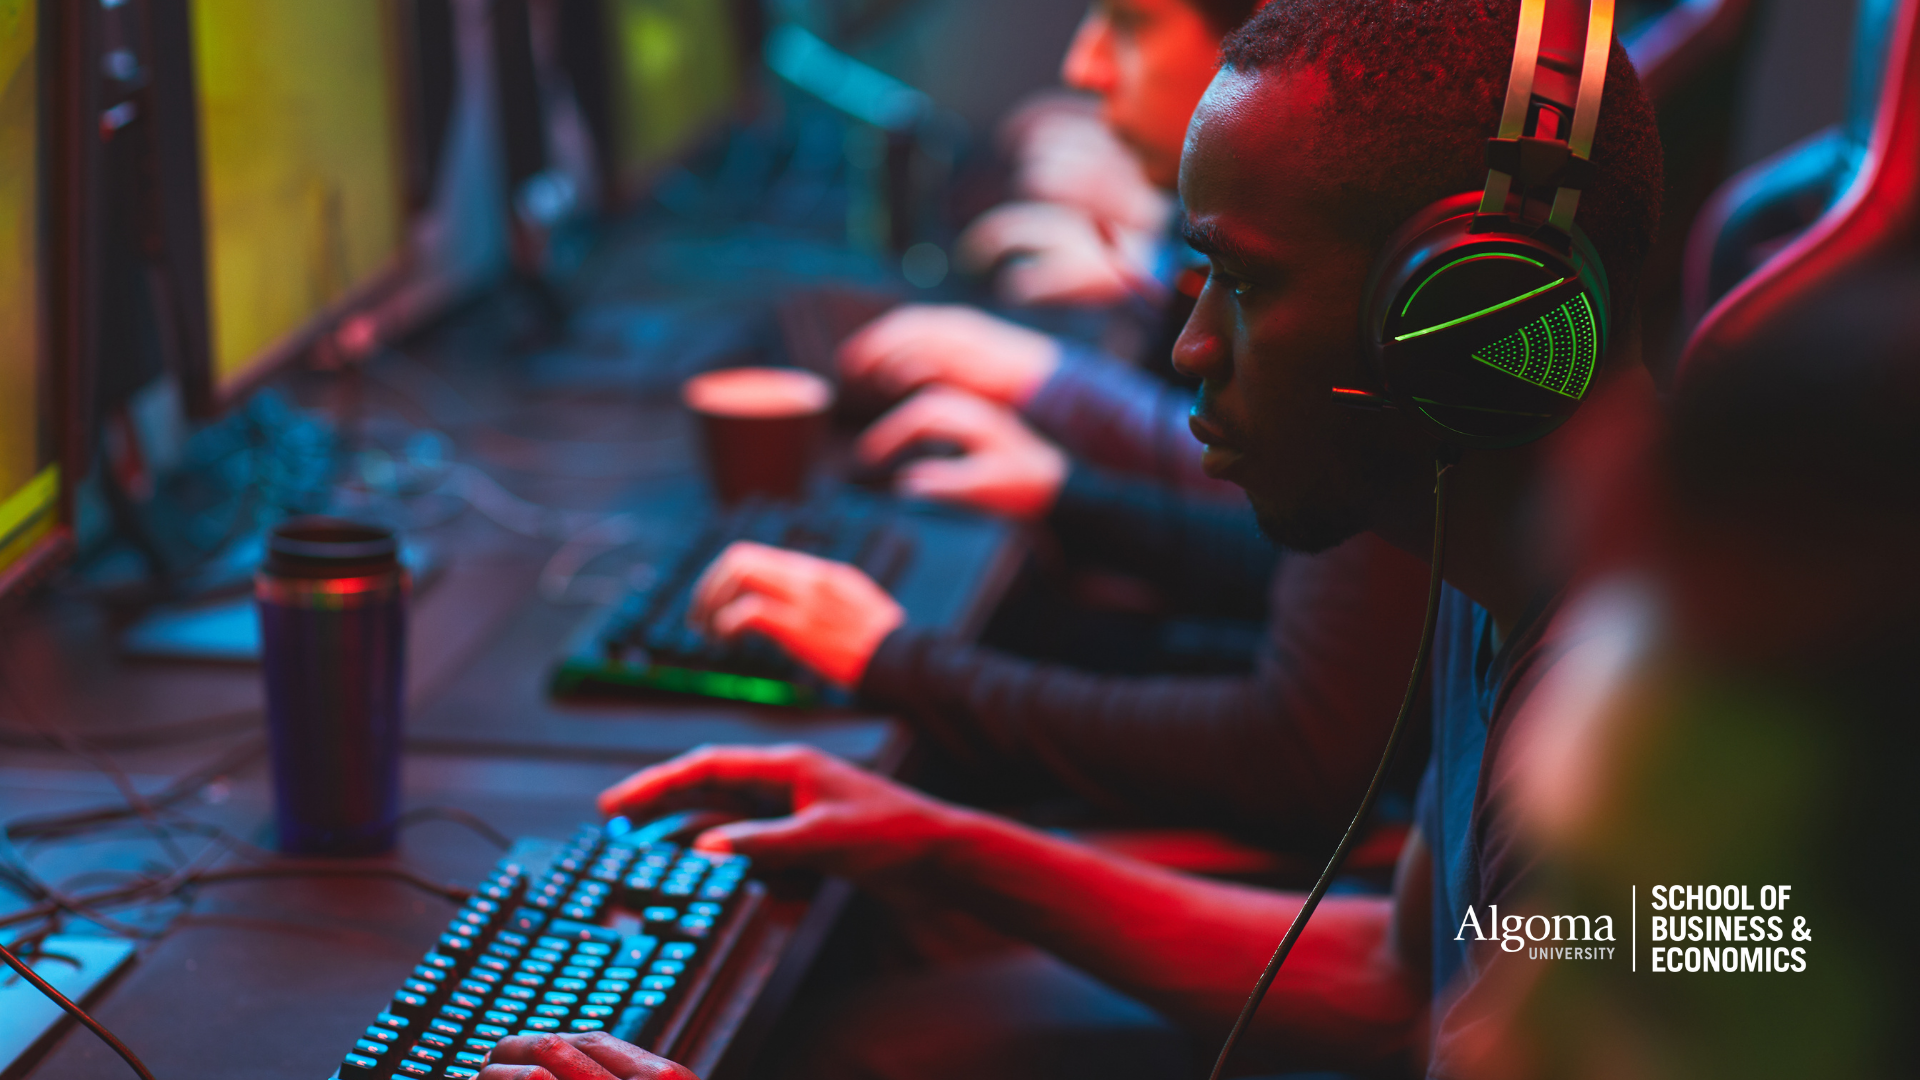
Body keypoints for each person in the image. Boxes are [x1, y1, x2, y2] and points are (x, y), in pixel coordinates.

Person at [479, 1, 1665, 1078]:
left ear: (1456, 324)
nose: (1192, 346)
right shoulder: (1509, 559)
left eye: (1242, 284)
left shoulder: (1655, 775)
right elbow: (1391, 981)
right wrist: (941, 843)